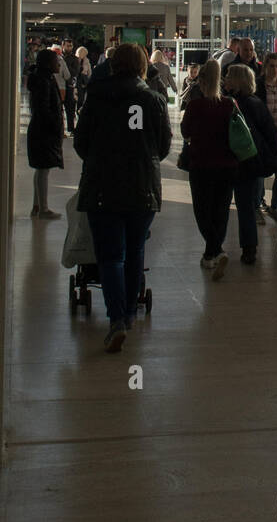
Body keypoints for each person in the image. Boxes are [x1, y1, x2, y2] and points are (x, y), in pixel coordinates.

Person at [73, 42, 171, 352]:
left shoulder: (97, 98)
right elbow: (164, 146)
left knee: (110, 256)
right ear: (143, 66)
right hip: (142, 187)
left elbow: (81, 143)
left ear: (112, 66)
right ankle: (129, 314)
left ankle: (115, 318)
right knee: (135, 250)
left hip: (103, 186)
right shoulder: (153, 101)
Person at [180, 59, 238, 280]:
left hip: (201, 164)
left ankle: (216, 250)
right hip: (228, 165)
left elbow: (185, 132)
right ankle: (210, 254)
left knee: (202, 211)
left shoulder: (195, 106)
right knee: (221, 210)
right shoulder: (230, 104)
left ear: (202, 82)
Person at [224, 65, 277, 264]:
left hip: (236, 162)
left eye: (229, 76)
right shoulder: (256, 103)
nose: (225, 79)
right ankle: (249, 248)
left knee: (234, 206)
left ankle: (219, 247)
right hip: (251, 162)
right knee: (246, 206)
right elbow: (270, 133)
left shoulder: (232, 104)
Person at [26, 49, 64, 219]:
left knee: (41, 169)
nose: (59, 64)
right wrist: (55, 125)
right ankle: (43, 208)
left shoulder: (42, 79)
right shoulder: (45, 81)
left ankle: (37, 205)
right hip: (44, 131)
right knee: (43, 169)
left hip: (40, 129)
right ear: (49, 63)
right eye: (56, 61)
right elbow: (44, 109)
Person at [257, 52, 277, 218]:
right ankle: (258, 203)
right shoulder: (258, 85)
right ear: (265, 67)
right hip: (263, 137)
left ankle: (275, 206)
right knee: (261, 172)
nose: (275, 69)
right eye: (271, 66)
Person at [61, 39, 81, 132]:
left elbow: (75, 72)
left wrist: (64, 65)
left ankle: (71, 128)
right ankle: (60, 128)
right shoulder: (58, 57)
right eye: (68, 45)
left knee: (70, 108)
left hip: (69, 86)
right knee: (58, 109)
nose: (69, 47)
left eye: (71, 46)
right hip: (59, 86)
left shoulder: (74, 58)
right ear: (63, 46)